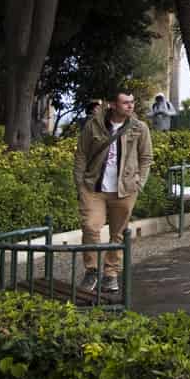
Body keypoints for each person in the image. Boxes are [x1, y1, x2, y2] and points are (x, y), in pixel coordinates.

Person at [73, 90, 153, 295]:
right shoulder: (94, 125)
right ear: (112, 104)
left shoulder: (139, 128)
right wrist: (80, 184)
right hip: (94, 188)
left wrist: (139, 182)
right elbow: (81, 154)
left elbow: (146, 158)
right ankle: (91, 271)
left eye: (132, 102)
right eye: (125, 102)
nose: (130, 106)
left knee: (117, 235)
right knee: (90, 227)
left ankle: (110, 274)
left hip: (125, 190)